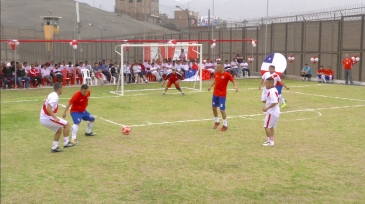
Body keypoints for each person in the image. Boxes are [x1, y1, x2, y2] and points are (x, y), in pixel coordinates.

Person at [40, 83, 74, 153]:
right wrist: (55, 117)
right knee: (67, 124)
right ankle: (66, 143)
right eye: (62, 89)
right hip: (47, 118)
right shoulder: (54, 97)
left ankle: (54, 147)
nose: (62, 90)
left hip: (44, 118)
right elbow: (48, 108)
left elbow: (46, 102)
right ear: (59, 89)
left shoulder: (52, 94)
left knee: (59, 130)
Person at [207, 64, 238, 131]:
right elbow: (216, 80)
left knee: (222, 110)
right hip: (215, 94)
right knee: (214, 108)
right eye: (216, 67)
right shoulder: (216, 73)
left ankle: (225, 125)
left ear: (222, 67)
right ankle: (217, 121)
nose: (216, 68)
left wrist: (235, 86)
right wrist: (210, 86)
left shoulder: (227, 75)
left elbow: (233, 80)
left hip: (222, 95)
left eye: (218, 67)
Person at [262, 77, 280, 147]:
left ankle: (270, 141)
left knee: (266, 126)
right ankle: (271, 141)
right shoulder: (274, 89)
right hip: (275, 112)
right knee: (271, 126)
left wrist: (267, 108)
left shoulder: (271, 91)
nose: (265, 84)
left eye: (266, 83)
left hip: (272, 112)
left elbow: (275, 102)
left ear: (270, 83)